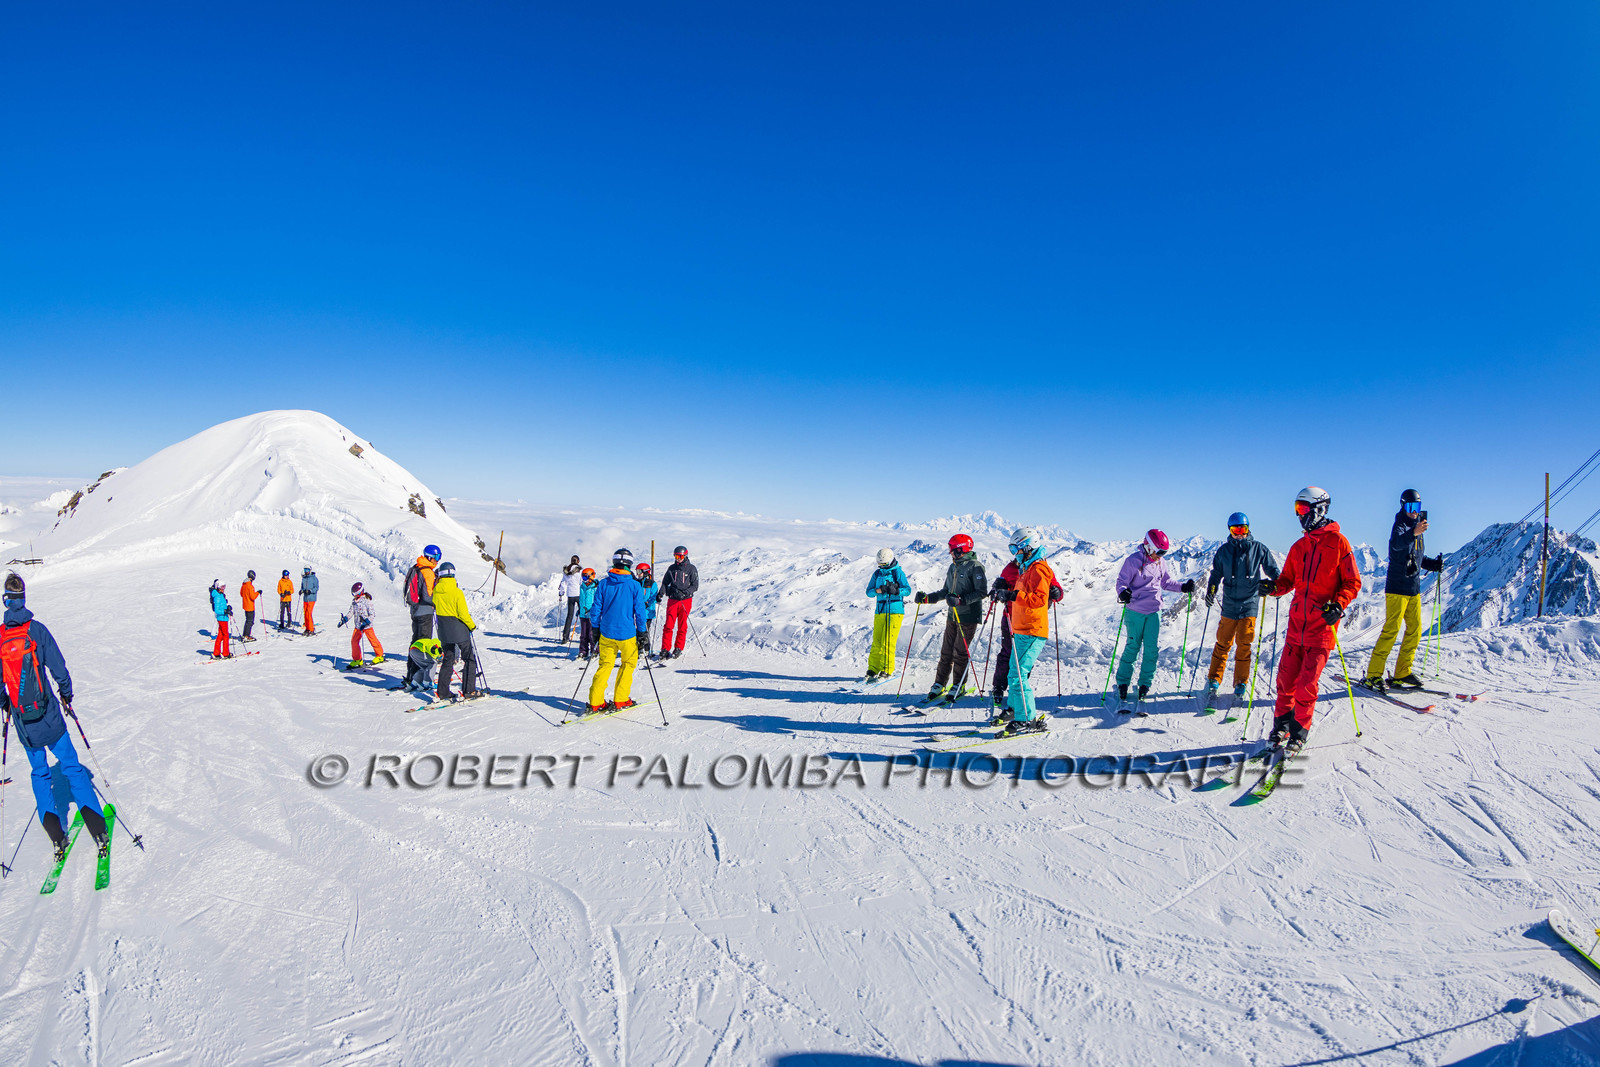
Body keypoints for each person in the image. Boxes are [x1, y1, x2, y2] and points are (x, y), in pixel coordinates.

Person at [1, 573, 110, 861]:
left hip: (24, 723)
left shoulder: (1, 636)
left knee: (40, 773)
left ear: (5, 599)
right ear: (24, 597)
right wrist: (66, 693)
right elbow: (58, 667)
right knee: (72, 767)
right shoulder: (37, 630)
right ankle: (97, 828)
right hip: (49, 716)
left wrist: (6, 706)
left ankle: (55, 835)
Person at [1260, 486, 1362, 754]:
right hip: (1296, 627)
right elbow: (1287, 581)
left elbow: (1352, 582)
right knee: (1285, 681)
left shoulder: (1339, 543)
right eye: (1297, 510)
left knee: (1306, 685)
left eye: (1303, 509)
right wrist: (1272, 588)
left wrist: (1338, 605)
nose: (1299, 515)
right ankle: (1280, 725)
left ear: (1321, 509)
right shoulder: (1299, 546)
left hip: (1321, 629)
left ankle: (1299, 731)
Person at [1365, 489, 1442, 690]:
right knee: (1391, 630)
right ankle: (1373, 675)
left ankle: (1402, 673)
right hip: (1397, 587)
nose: (1414, 511)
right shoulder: (1400, 526)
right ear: (1403, 506)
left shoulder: (1416, 530)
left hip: (1413, 588)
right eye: (1410, 507)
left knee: (1415, 630)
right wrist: (1413, 532)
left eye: (1417, 507)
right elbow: (1396, 546)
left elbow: (1416, 557)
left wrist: (1432, 564)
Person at [1113, 529, 1195, 709]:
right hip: (1135, 610)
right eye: (1159, 552)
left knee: (1151, 649)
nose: (1161, 556)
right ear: (1148, 547)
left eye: (1163, 553)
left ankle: (1145, 683)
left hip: (1154, 611)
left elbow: (1166, 583)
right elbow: (1121, 582)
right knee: (1132, 647)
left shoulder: (1161, 563)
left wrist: (1183, 587)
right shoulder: (1133, 561)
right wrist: (1123, 592)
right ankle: (1123, 682)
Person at [1203, 513, 1281, 701]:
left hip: (1249, 604)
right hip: (1229, 605)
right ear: (1229, 531)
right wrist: (1211, 590)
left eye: (1242, 529)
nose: (1239, 534)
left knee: (1244, 645)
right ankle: (1214, 679)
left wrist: (1276, 585)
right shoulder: (1224, 551)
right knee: (1223, 643)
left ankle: (1241, 681)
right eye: (1235, 530)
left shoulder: (1258, 549)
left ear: (1248, 529)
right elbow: (1216, 574)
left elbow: (1273, 571)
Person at [994, 528, 1055, 736]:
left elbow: (1039, 600)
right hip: (1021, 628)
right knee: (1014, 672)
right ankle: (1014, 709)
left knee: (1019, 676)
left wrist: (1012, 595)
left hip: (1032, 629)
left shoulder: (1039, 569)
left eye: (1016, 549)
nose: (1014, 553)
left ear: (1027, 547)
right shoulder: (1026, 568)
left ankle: (1027, 718)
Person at [914, 534, 988, 704]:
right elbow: (945, 591)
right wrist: (927, 598)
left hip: (967, 616)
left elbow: (981, 592)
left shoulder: (975, 567)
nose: (949, 552)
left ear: (960, 549)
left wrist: (961, 600)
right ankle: (940, 683)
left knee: (960, 652)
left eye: (951, 549)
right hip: (952, 615)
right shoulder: (953, 567)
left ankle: (958, 685)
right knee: (946, 651)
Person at [988, 557, 1063, 717]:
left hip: (1028, 620)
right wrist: (998, 589)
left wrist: (1057, 591)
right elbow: (998, 589)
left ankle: (1021, 706)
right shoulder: (1010, 569)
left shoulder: (1037, 569)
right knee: (1008, 655)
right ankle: (1000, 688)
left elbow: (1051, 588)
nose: (1017, 557)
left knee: (1020, 665)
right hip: (1010, 616)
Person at [587, 548, 650, 712]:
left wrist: (595, 628)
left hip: (606, 633)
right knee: (628, 664)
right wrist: (642, 632)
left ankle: (595, 702)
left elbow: (596, 609)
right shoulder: (635, 586)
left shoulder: (603, 583)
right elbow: (640, 612)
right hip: (627, 634)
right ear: (630, 564)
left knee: (605, 665)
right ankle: (621, 700)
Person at [430, 562, 480, 701]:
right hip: (460, 631)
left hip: (444, 632)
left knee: (448, 659)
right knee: (469, 659)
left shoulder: (436, 592)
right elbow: (463, 614)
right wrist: (472, 626)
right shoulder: (457, 592)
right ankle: (469, 690)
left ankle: (443, 692)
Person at [865, 548, 911, 681]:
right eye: (880, 564)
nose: (881, 567)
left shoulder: (898, 572)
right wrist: (879, 590)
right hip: (880, 611)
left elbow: (907, 590)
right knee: (877, 641)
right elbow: (869, 592)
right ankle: (873, 668)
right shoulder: (877, 574)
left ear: (890, 561)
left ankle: (887, 669)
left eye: (884, 564)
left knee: (888, 641)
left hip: (895, 611)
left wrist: (896, 591)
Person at [656, 546, 699, 660]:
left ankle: (678, 648)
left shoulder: (691, 569)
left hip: (685, 601)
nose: (678, 559)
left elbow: (695, 585)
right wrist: (661, 593)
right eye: (676, 556)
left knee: (682, 625)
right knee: (668, 625)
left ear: (685, 556)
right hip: (673, 600)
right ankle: (665, 649)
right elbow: (665, 583)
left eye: (680, 556)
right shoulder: (671, 568)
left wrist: (685, 593)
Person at [403, 547, 440, 651]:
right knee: (424, 641)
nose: (438, 560)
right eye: (437, 556)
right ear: (430, 557)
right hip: (425, 612)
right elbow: (427, 596)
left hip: (415, 610)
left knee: (416, 640)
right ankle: (421, 665)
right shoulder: (428, 572)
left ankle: (412, 666)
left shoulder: (417, 567)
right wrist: (437, 603)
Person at [346, 582, 385, 669]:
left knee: (372, 640)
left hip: (367, 626)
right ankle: (357, 659)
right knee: (354, 642)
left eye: (354, 594)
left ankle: (380, 656)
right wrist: (345, 618)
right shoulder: (354, 602)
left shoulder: (367, 601)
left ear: (359, 592)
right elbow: (351, 612)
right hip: (358, 626)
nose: (353, 596)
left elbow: (372, 614)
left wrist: (366, 621)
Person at [634, 562, 659, 654]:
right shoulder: (637, 583)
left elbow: (654, 596)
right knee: (638, 629)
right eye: (637, 572)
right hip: (638, 610)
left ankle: (647, 648)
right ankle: (639, 648)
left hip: (647, 611)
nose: (638, 574)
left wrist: (647, 604)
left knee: (645, 629)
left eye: (639, 572)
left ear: (645, 572)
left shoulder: (651, 583)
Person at [559, 556, 584, 644]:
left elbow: (563, 583)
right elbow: (582, 582)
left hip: (570, 595)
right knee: (583, 615)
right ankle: (584, 635)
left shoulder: (566, 571)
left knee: (569, 616)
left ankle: (565, 637)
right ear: (578, 561)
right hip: (578, 594)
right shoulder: (580, 571)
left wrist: (561, 593)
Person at [576, 568, 599, 659]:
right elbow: (582, 599)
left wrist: (594, 610)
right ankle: (583, 651)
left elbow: (598, 600)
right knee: (583, 634)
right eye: (583, 577)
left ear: (591, 576)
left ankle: (595, 650)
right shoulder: (582, 586)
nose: (584, 579)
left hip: (592, 614)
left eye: (586, 577)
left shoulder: (595, 586)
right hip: (583, 614)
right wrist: (580, 609)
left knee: (591, 633)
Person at [208, 579, 234, 659]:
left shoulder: (220, 595)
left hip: (223, 617)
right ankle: (225, 653)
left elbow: (222, 606)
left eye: (224, 587)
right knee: (226, 635)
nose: (223, 589)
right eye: (222, 587)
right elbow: (217, 610)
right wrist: (225, 611)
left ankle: (216, 653)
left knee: (220, 635)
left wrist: (228, 608)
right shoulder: (217, 597)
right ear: (218, 587)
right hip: (222, 618)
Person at [239, 570, 260, 642]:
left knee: (247, 621)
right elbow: (253, 596)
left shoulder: (244, 584)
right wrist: (258, 592)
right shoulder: (249, 586)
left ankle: (244, 634)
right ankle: (246, 636)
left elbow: (241, 594)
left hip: (245, 605)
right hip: (250, 605)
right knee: (250, 621)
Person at [299, 566, 320, 635]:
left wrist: (310, 591)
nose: (306, 571)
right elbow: (302, 587)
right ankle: (307, 628)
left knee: (309, 613)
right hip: (305, 598)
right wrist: (301, 591)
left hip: (311, 598)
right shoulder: (304, 578)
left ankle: (311, 629)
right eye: (305, 569)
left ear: (310, 570)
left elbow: (316, 588)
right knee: (305, 614)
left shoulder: (314, 578)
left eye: (307, 569)